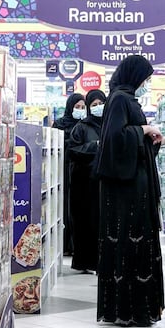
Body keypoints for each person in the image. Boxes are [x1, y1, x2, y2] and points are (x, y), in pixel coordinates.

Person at [94, 55, 165, 326]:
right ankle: (128, 311)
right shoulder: (119, 99)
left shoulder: (126, 99)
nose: (146, 83)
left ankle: (137, 309)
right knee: (129, 243)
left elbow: (130, 141)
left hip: (133, 187)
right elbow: (114, 142)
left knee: (138, 243)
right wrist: (143, 128)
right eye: (145, 78)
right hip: (125, 193)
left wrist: (158, 139)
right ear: (134, 75)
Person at [68, 89, 107, 273]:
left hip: (105, 181)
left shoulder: (110, 125)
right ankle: (86, 262)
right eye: (94, 105)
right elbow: (73, 150)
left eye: (101, 104)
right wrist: (95, 146)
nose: (98, 108)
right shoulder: (81, 127)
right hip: (84, 184)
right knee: (86, 223)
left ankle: (102, 261)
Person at [52, 93, 85, 257]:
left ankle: (75, 245)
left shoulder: (85, 126)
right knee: (61, 206)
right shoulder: (59, 124)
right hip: (60, 171)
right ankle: (63, 244)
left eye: (82, 107)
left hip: (78, 172)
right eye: (77, 107)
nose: (80, 110)